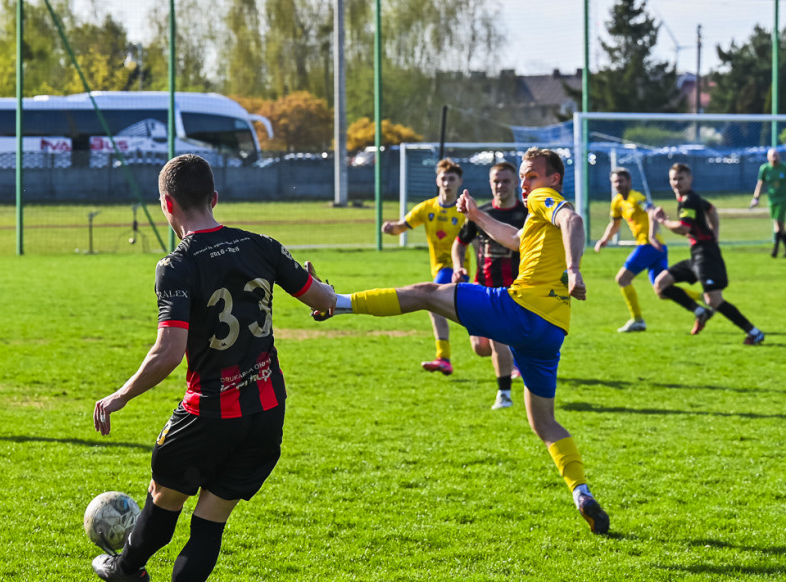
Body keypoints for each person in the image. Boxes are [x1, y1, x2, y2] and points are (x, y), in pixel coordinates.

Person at [91, 154, 336, 582]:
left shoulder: (176, 265)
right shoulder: (260, 245)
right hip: (266, 413)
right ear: (215, 198)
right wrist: (320, 296)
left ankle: (128, 565)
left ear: (166, 205)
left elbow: (168, 351)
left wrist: (119, 396)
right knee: (211, 521)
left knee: (164, 494)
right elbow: (323, 298)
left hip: (208, 414)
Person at [312, 148, 609, 535]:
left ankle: (333, 301)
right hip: (551, 330)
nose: (524, 182)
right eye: (522, 175)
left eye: (532, 175)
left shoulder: (543, 198)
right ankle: (581, 492)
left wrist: (573, 270)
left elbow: (573, 218)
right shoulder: (535, 213)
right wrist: (478, 216)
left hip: (522, 308)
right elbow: (518, 240)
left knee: (425, 293)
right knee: (545, 422)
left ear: (553, 179)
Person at [651, 163, 765, 344]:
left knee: (714, 300)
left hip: (706, 255)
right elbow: (712, 210)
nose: (677, 182)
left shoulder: (689, 199)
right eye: (674, 178)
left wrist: (663, 221)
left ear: (690, 179)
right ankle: (700, 312)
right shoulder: (689, 199)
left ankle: (754, 332)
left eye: (681, 178)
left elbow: (683, 228)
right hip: (697, 254)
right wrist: (715, 234)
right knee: (661, 284)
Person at [592, 167, 706, 333]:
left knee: (622, 279)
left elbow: (653, 211)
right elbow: (614, 223)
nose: (618, 184)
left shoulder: (636, 198)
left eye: (621, 181)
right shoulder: (617, 202)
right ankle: (705, 301)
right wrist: (604, 239)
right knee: (663, 290)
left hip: (649, 246)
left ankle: (637, 320)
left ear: (629, 182)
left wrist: (652, 236)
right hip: (656, 248)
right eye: (615, 182)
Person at [451, 161, 526, 409]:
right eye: (496, 181)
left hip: (512, 291)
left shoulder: (526, 215)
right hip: (481, 286)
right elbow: (459, 243)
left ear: (516, 183)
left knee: (496, 341)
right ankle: (518, 355)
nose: (500, 185)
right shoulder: (480, 214)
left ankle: (504, 395)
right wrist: (458, 266)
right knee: (480, 347)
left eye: (506, 181)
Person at [381, 158, 467, 376]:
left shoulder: (464, 211)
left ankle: (444, 357)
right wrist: (390, 229)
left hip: (459, 271)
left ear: (459, 182)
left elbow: (475, 241)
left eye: (451, 179)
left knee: (434, 304)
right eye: (443, 178)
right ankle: (444, 358)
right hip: (440, 270)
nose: (447, 182)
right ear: (437, 181)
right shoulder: (426, 208)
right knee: (473, 323)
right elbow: (401, 227)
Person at [749, 148, 786, 257]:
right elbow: (760, 184)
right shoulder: (765, 168)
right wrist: (756, 198)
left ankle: (775, 250)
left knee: (778, 221)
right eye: (772, 155)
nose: (774, 157)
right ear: (768, 157)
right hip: (772, 200)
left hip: (783, 199)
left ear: (779, 156)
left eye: (776, 155)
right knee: (778, 225)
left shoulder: (784, 168)